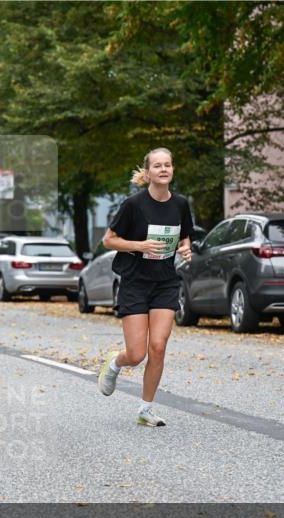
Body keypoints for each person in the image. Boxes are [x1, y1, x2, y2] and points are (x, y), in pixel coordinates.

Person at [96, 147, 194, 427]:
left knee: (158, 346)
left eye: (168, 165)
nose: (163, 169)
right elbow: (109, 240)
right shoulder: (133, 205)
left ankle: (146, 409)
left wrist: (186, 250)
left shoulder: (180, 204)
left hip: (165, 281)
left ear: (172, 170)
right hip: (135, 282)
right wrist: (139, 245)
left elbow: (185, 238)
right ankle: (115, 362)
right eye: (157, 166)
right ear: (148, 172)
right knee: (137, 354)